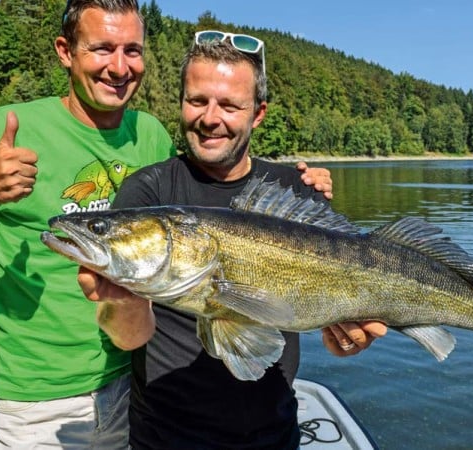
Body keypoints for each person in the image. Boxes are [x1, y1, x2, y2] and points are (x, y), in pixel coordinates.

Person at [0, 1, 332, 448]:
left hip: (135, 389)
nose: (118, 67)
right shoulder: (10, 127)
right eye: (101, 49)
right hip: (42, 399)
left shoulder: (149, 134)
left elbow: (208, 199)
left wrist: (301, 192)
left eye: (131, 50)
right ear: (65, 51)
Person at [78, 32, 387, 449]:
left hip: (274, 434)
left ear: (257, 113)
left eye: (229, 105)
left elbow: (333, 313)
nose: (210, 117)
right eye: (197, 100)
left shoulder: (296, 189)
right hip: (165, 437)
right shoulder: (147, 192)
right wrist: (121, 299)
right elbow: (128, 338)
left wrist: (346, 340)